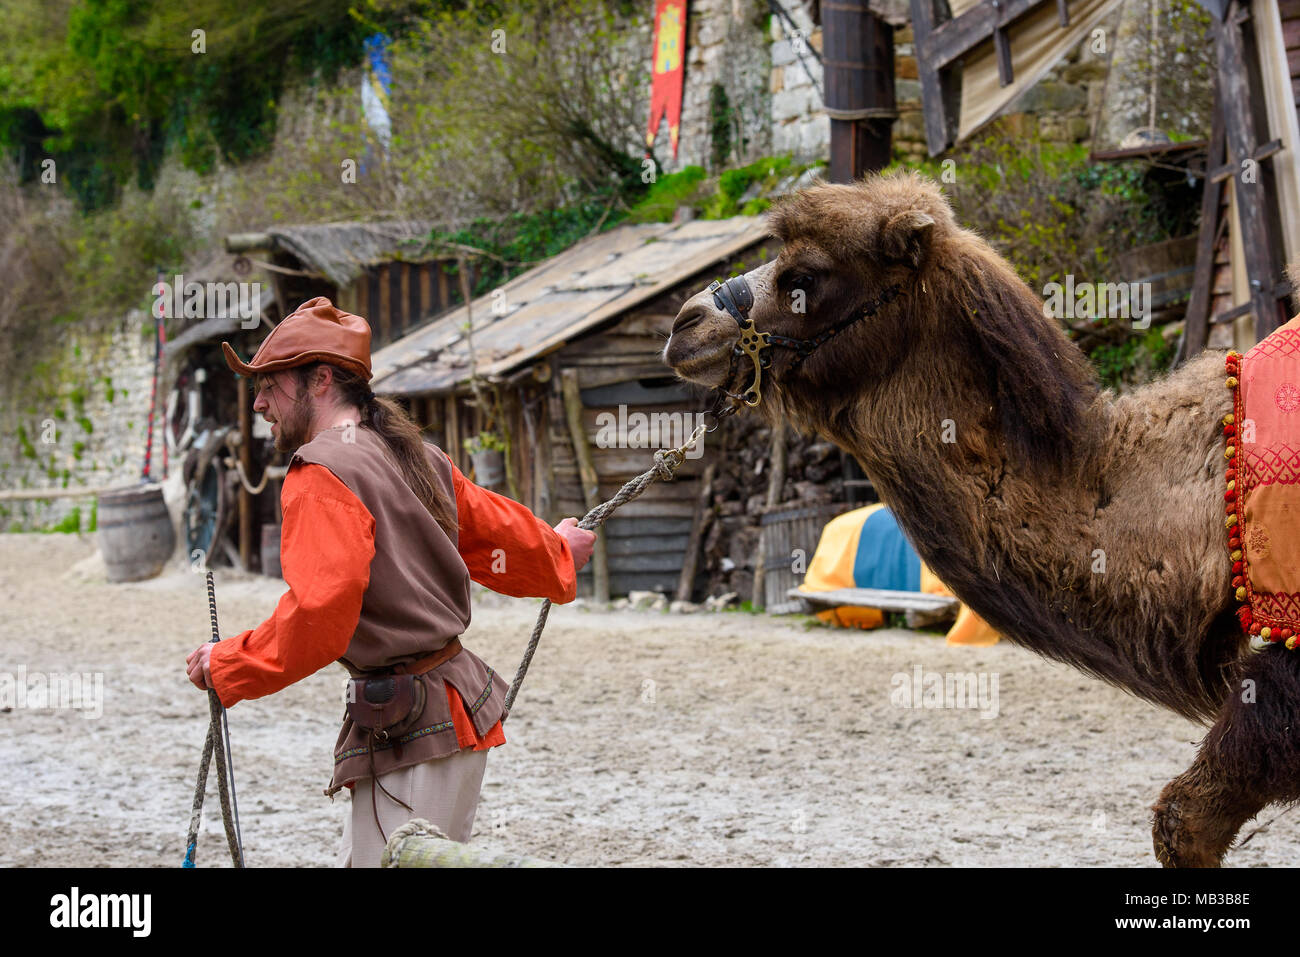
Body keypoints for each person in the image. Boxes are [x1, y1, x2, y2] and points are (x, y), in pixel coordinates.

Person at [184, 296, 596, 867]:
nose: (258, 403)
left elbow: (320, 617)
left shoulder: (321, 472)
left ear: (320, 379)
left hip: (416, 732)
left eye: (271, 385)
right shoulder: (415, 454)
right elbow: (497, 536)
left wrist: (226, 665)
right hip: (449, 720)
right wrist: (559, 551)